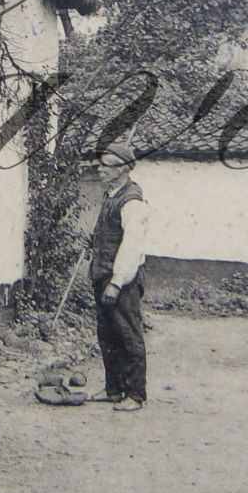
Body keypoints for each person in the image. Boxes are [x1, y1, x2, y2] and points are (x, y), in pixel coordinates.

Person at [87, 142, 150, 412]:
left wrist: (117, 281)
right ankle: (113, 389)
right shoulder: (111, 195)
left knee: (128, 335)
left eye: (106, 165)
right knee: (107, 335)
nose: (99, 169)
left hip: (120, 280)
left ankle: (135, 395)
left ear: (123, 169)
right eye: (100, 164)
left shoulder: (132, 201)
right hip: (102, 273)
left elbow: (131, 245)